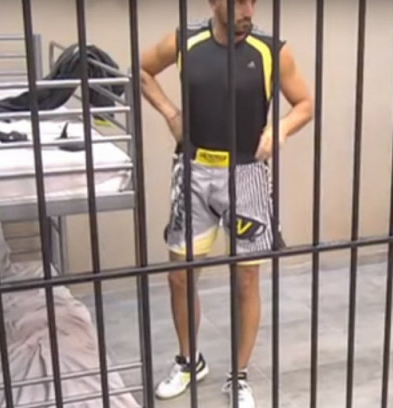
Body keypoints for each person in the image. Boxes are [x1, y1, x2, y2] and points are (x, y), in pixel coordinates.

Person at [139, 0, 313, 406]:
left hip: (247, 174)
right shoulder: (185, 42)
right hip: (195, 171)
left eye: (252, 1)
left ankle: (239, 375)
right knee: (180, 276)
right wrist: (170, 114)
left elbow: (305, 104)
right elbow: (142, 70)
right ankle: (189, 361)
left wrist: (281, 128)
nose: (247, 10)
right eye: (237, 2)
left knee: (247, 279)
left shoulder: (271, 50)